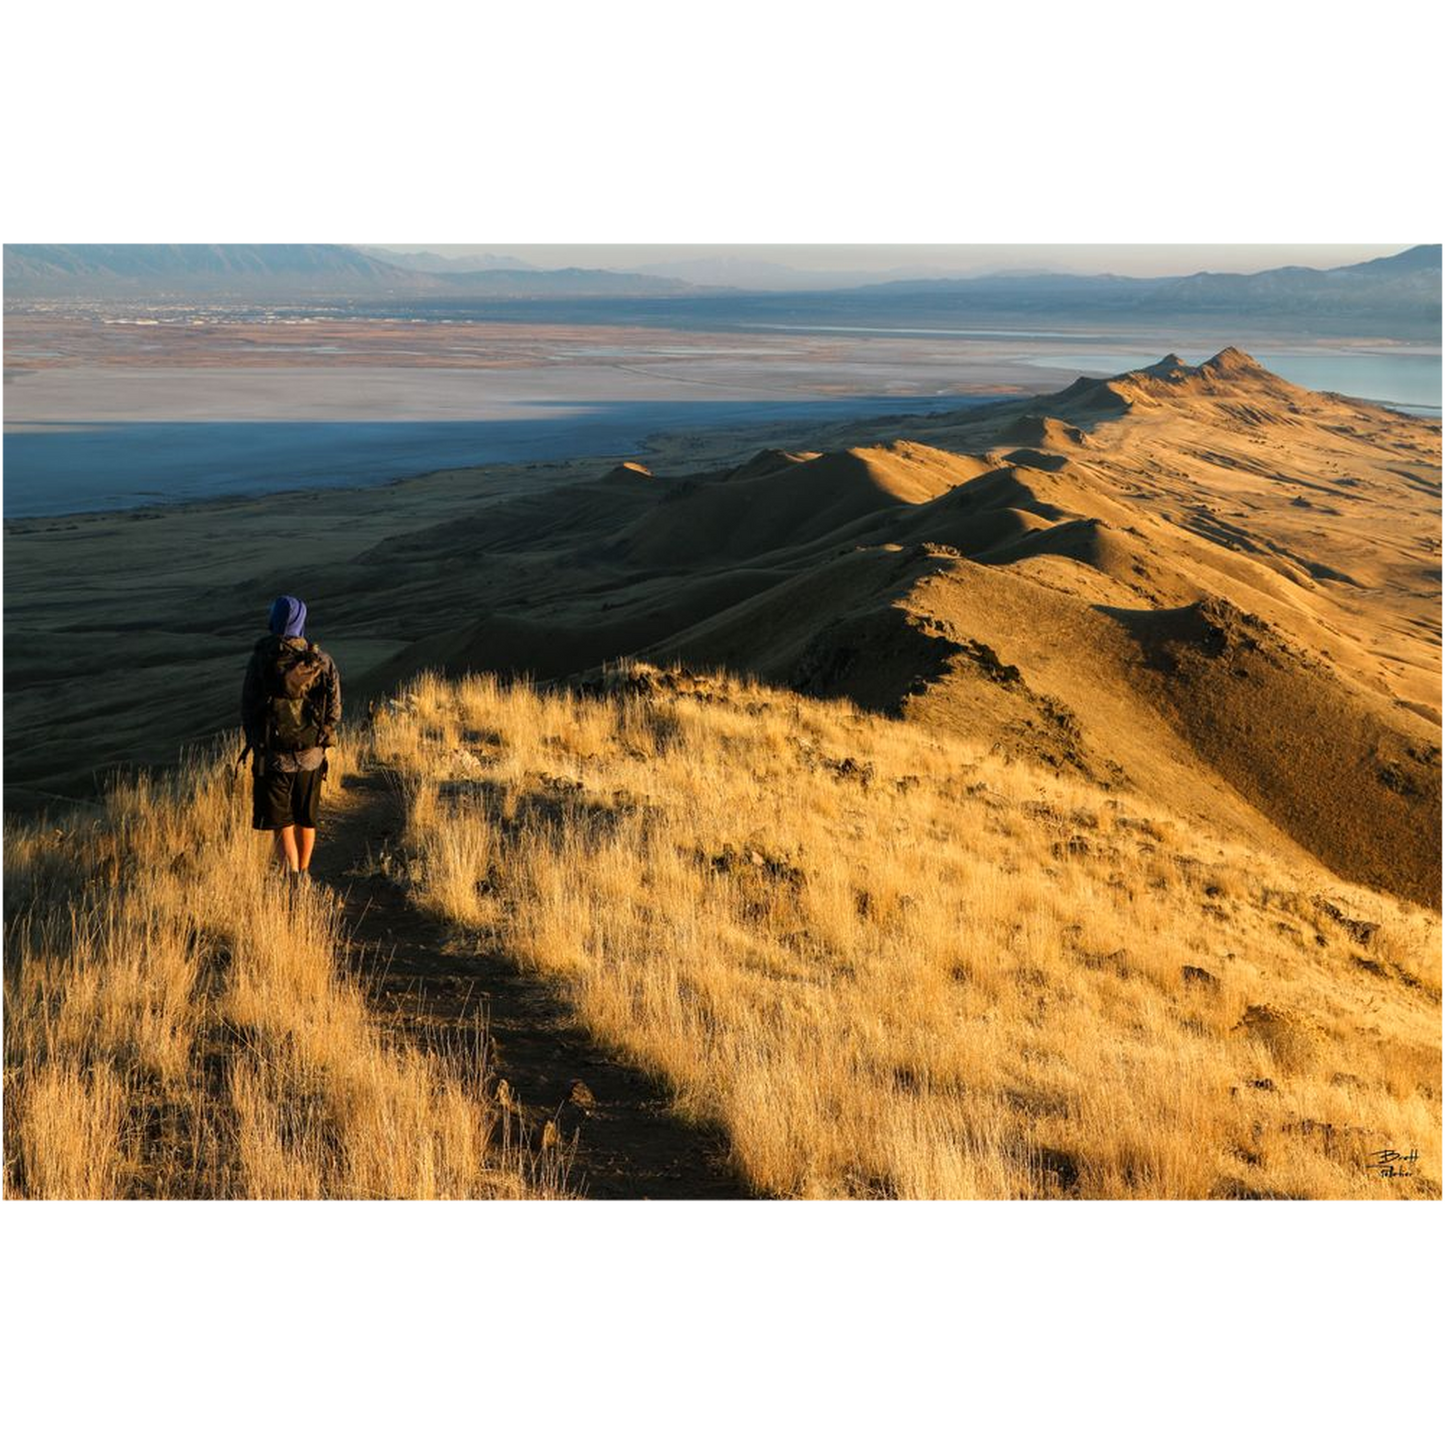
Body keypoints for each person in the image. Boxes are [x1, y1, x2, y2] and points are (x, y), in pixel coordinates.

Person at [240, 594, 342, 883]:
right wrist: (322, 736)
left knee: (282, 824)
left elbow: (248, 707)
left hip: (273, 758)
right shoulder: (321, 660)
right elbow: (334, 709)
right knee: (305, 818)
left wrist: (258, 743)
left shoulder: (262, 659)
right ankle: (305, 874)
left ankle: (293, 883)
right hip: (311, 756)